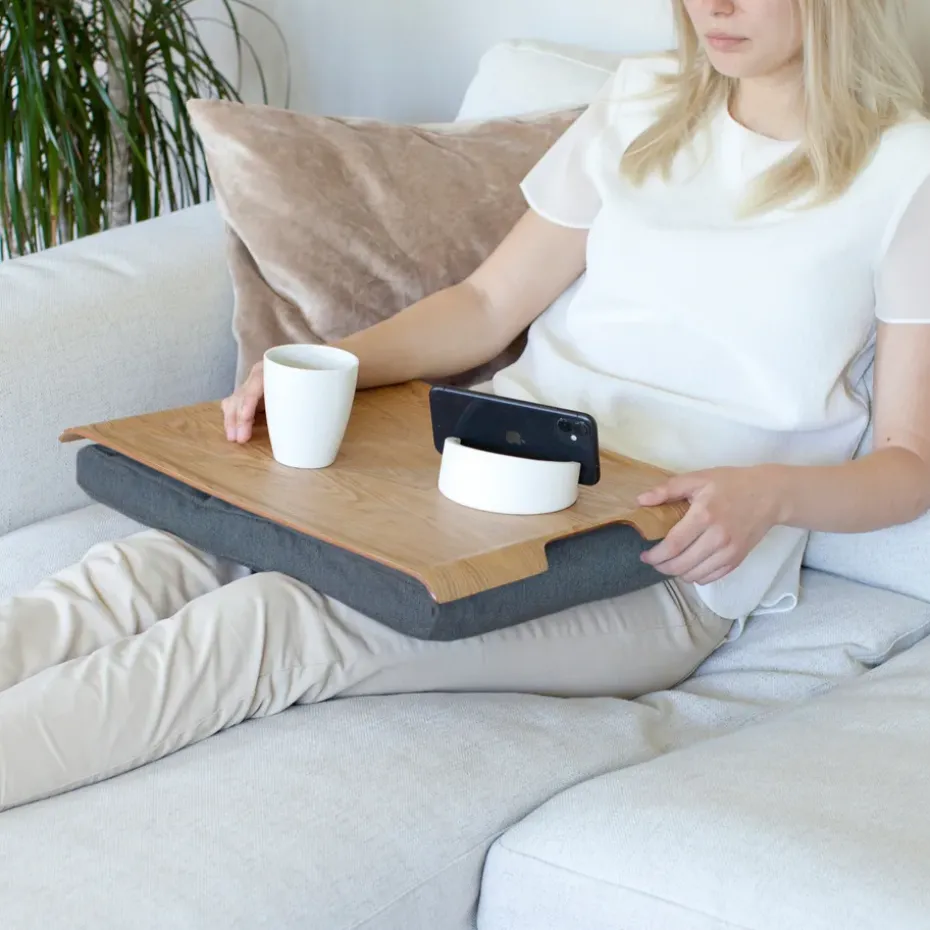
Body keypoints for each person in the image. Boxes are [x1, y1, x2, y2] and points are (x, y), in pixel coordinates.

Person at [2, 0, 929, 812]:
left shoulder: (907, 171)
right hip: (480, 477)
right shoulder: (642, 101)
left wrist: (769, 493)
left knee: (281, 621)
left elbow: (909, 464)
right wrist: (335, 364)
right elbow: (487, 305)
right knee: (162, 556)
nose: (712, 6)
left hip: (661, 569)